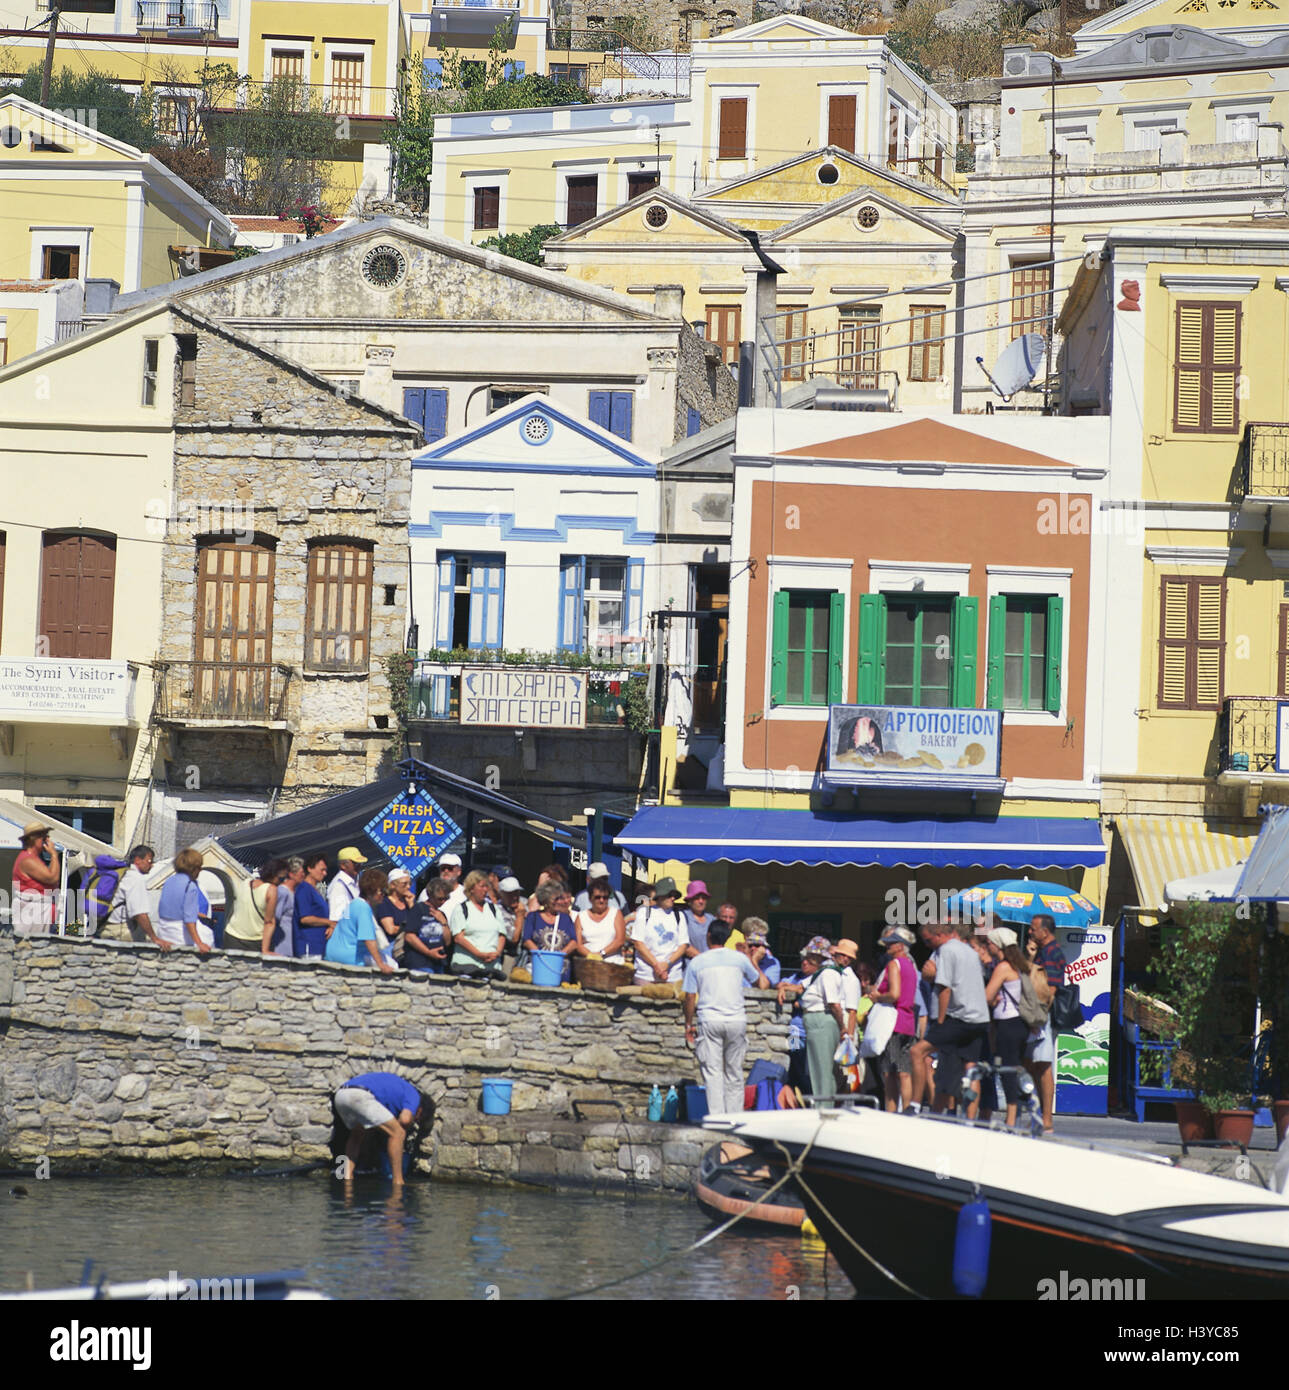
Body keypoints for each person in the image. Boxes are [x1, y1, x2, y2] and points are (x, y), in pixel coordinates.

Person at [683, 919, 770, 1113]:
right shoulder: (739, 959)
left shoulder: (697, 962)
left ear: (708, 937)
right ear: (728, 937)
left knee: (713, 1072)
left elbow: (689, 997)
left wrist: (688, 1023)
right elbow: (762, 985)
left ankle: (717, 1118)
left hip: (709, 1020)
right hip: (736, 1020)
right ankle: (734, 1117)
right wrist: (752, 959)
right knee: (734, 1072)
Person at [919, 922, 990, 1118]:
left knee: (921, 1054)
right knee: (970, 1068)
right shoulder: (970, 953)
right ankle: (968, 1119)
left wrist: (941, 1023)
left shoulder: (947, 951)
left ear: (940, 934)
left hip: (957, 1018)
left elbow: (944, 988)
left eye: (927, 940)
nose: (926, 944)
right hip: (978, 1018)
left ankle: (916, 1106)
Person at [777, 937, 845, 1106]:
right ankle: (805, 1096)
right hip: (796, 1029)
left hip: (815, 1024)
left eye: (810, 959)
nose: (805, 962)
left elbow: (833, 1003)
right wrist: (783, 987)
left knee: (816, 1067)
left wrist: (843, 1027)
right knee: (797, 1061)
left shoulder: (827, 973)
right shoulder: (806, 976)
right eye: (804, 959)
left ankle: (819, 1103)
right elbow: (798, 987)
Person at [332, 1071, 427, 1188]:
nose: (415, 1121)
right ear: (420, 1110)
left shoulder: (395, 1089)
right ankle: (398, 1182)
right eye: (417, 1119)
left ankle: (347, 1177)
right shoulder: (414, 1095)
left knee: (357, 1135)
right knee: (398, 1133)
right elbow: (405, 1120)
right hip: (360, 1096)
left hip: (341, 1095)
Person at [985, 926, 1032, 1129]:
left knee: (1008, 1070)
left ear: (998, 945)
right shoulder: (1020, 965)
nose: (988, 947)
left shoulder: (1003, 967)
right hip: (1020, 1024)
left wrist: (994, 999)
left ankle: (1011, 1117)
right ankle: (1014, 1115)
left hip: (1007, 1024)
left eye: (990, 943)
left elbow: (987, 996)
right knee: (1014, 1067)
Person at [1025, 913, 1068, 1134]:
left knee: (1043, 1066)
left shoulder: (1052, 953)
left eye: (1033, 928)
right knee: (1032, 1064)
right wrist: (1031, 956)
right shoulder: (1043, 951)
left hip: (1042, 1015)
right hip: (1037, 1014)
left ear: (1045, 930)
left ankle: (1046, 1119)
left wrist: (1039, 1017)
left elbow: (1050, 989)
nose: (1030, 932)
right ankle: (1039, 1115)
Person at [867, 926, 918, 1113]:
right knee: (905, 1072)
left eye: (891, 942)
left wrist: (877, 996)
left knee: (889, 1072)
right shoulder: (911, 966)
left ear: (900, 945)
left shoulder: (894, 964)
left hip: (893, 1023)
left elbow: (894, 994)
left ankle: (890, 1112)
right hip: (908, 1023)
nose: (887, 946)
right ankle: (907, 1110)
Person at [325, 867, 395, 973]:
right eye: (383, 891)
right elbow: (368, 939)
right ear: (375, 890)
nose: (384, 896)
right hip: (349, 957)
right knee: (393, 964)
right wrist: (381, 965)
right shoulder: (363, 908)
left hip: (332, 953)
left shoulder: (352, 904)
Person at [103, 844, 170, 950]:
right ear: (138, 860)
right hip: (121, 929)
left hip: (104, 927)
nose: (152, 865)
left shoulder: (122, 874)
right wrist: (154, 938)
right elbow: (139, 913)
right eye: (149, 861)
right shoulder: (135, 878)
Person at [630, 877, 689, 985]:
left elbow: (683, 945)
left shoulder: (679, 915)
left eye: (674, 896)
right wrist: (656, 966)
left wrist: (667, 964)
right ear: (660, 895)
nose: (673, 898)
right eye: (669, 895)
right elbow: (638, 943)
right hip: (646, 976)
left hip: (672, 977)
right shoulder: (644, 913)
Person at [388, 869, 448, 973]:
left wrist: (444, 923)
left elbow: (447, 941)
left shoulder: (441, 914)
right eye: (440, 899)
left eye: (445, 898)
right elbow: (409, 936)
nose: (443, 902)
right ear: (431, 895)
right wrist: (429, 952)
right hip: (419, 963)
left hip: (438, 963)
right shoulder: (418, 909)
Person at [449, 869, 506, 977]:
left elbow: (502, 935)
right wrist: (479, 954)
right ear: (471, 889)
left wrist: (497, 953)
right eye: (482, 886)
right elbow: (458, 938)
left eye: (487, 886)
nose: (485, 890)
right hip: (467, 966)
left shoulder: (494, 909)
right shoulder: (461, 909)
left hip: (492, 967)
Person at [155, 848, 212, 953]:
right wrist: (199, 943)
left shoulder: (169, 881)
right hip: (180, 934)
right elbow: (189, 919)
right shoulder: (190, 886)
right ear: (194, 868)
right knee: (208, 935)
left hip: (163, 931)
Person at [223, 859, 284, 954]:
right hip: (254, 940)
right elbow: (269, 922)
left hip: (232, 935)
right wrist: (265, 950)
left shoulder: (245, 883)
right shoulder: (271, 890)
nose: (281, 883)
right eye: (281, 879)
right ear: (273, 875)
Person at [11, 822, 60, 936]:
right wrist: (53, 854)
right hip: (33, 912)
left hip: (39, 910)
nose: (46, 840)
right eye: (44, 837)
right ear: (35, 839)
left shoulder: (33, 858)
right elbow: (52, 878)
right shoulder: (28, 860)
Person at [574, 879, 627, 963]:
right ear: (590, 898)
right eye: (597, 897)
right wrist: (591, 956)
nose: (601, 900)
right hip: (588, 965)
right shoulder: (581, 916)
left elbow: (620, 940)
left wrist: (601, 953)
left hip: (613, 964)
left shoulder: (616, 913)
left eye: (605, 897)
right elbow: (578, 944)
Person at [293, 853, 334, 959]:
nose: (325, 873)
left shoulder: (315, 890)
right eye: (322, 870)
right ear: (310, 868)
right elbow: (305, 918)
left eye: (326, 870)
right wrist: (330, 922)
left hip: (319, 944)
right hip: (308, 945)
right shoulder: (304, 889)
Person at [272, 857, 303, 958]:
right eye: (301, 872)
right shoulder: (282, 892)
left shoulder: (296, 892)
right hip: (282, 945)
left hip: (293, 944)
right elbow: (274, 918)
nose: (303, 875)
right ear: (292, 874)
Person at [833, 938, 863, 1041]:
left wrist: (849, 1035)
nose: (845, 959)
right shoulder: (831, 972)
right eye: (842, 955)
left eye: (849, 957)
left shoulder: (851, 979)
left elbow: (852, 1011)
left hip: (844, 1020)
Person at [328, 847, 367, 923]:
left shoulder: (354, 882)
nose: (359, 866)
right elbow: (339, 917)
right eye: (355, 863)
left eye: (360, 863)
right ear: (343, 865)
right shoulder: (338, 886)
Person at [681, 880, 714, 958]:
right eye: (697, 898)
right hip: (691, 965)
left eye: (703, 898)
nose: (701, 901)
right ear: (690, 900)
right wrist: (702, 959)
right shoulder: (683, 917)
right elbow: (683, 945)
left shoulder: (712, 919)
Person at [742, 919, 780, 985]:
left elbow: (764, 985)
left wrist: (754, 962)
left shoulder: (772, 962)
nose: (753, 948)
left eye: (757, 945)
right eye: (750, 945)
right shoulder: (737, 958)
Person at [496, 875, 525, 946]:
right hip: (509, 953)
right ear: (501, 894)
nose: (514, 897)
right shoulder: (498, 911)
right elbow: (514, 938)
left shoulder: (524, 903)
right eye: (510, 894)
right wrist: (520, 916)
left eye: (516, 893)